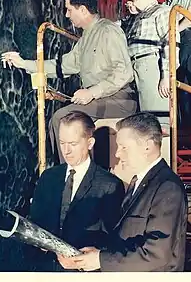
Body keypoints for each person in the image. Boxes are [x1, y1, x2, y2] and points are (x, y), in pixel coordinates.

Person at [1, 0, 137, 163]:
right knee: (62, 118)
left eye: (69, 10)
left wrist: (91, 92)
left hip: (121, 100)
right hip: (102, 99)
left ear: (83, 10)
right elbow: (62, 66)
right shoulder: (85, 38)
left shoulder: (108, 31)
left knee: (62, 119)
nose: (66, 15)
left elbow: (124, 73)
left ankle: (70, 172)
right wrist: (23, 63)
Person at [57, 112, 188, 272]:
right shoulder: (140, 183)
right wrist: (99, 254)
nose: (117, 154)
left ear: (147, 146)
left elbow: (156, 253)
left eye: (124, 147)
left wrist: (100, 260)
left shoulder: (167, 188)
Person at [28, 111, 125, 271]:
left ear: (90, 143)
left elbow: (114, 238)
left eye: (73, 144)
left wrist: (87, 258)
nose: (66, 151)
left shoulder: (110, 185)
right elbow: (35, 222)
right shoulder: (48, 177)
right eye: (62, 143)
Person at [119, 0, 180, 164]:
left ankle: (163, 167)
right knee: (143, 124)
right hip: (134, 68)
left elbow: (170, 43)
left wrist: (166, 75)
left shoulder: (162, 12)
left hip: (150, 67)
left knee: (157, 124)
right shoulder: (139, 16)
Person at [159, 0, 191, 128]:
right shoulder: (166, 3)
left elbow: (190, 18)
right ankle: (178, 127)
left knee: (187, 85)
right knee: (175, 85)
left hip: (187, 39)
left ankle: (189, 128)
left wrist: (173, 31)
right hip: (173, 41)